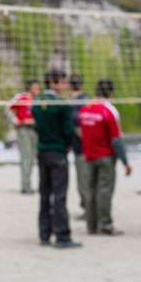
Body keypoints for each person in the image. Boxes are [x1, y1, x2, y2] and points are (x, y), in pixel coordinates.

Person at [32, 69, 81, 249]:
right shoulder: (61, 105)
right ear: (53, 83)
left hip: (42, 152)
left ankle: (44, 234)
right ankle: (62, 236)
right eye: (63, 82)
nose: (66, 85)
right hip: (58, 152)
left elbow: (37, 127)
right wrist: (70, 144)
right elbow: (68, 130)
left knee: (45, 194)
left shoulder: (36, 103)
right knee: (59, 196)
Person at [79, 79, 131, 236]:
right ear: (111, 93)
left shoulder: (85, 109)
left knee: (90, 190)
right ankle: (106, 224)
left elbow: (81, 132)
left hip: (89, 155)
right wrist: (125, 161)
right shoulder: (109, 111)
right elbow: (116, 139)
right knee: (104, 191)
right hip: (105, 156)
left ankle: (91, 225)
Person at [8, 79, 41, 194]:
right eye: (36, 87)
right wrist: (17, 122)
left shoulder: (38, 100)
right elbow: (7, 108)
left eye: (39, 88)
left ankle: (31, 184)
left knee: (33, 158)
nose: (38, 90)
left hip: (35, 130)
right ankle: (25, 186)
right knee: (26, 158)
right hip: (24, 130)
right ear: (30, 87)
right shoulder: (21, 97)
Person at [68, 73, 89, 217]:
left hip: (83, 149)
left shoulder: (82, 101)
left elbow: (78, 122)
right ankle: (87, 208)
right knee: (82, 181)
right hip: (78, 148)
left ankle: (89, 210)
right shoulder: (73, 101)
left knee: (84, 181)